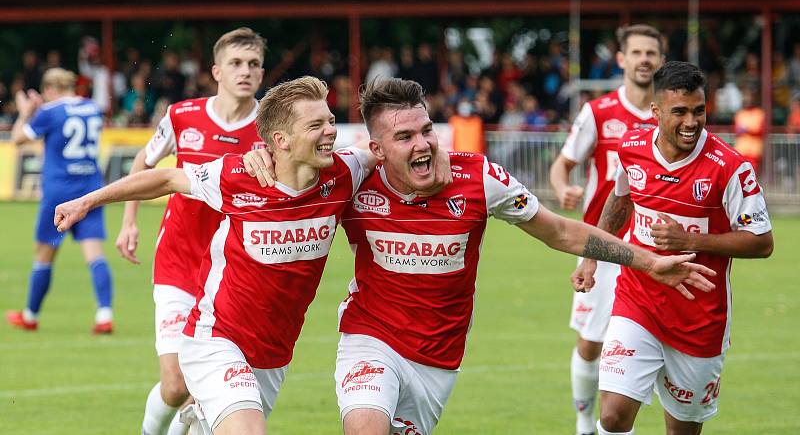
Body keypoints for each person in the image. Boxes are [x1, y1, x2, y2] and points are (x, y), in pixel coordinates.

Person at [242, 78, 716, 435]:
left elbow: (559, 231)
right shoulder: (353, 179)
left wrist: (648, 260)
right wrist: (255, 156)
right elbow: (288, 161)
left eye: (426, 130)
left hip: (438, 359)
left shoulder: (479, 178)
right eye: (404, 138)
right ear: (377, 150)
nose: (422, 144)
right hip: (371, 338)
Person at [54, 76, 381, 435]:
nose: (330, 132)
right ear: (280, 140)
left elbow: (384, 151)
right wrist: (87, 201)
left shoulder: (346, 172)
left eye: (331, 121)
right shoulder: (238, 175)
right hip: (216, 338)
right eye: (316, 125)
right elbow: (166, 179)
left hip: (273, 355)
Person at [574, 61, 774, 435]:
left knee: (681, 429)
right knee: (613, 416)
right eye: (679, 111)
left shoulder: (729, 167)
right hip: (638, 301)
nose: (691, 122)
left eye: (699, 111)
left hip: (699, 319)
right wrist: (590, 257)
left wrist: (692, 241)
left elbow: (762, 242)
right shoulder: (632, 147)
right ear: (656, 112)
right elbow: (620, 202)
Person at [113, 27, 269, 435]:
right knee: (176, 384)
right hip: (179, 264)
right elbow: (144, 165)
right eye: (236, 63)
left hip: (235, 274)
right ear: (216, 71)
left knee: (206, 390)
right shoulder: (183, 116)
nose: (245, 72)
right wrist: (129, 221)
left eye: (253, 64)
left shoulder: (271, 127)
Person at [548, 24, 664, 435]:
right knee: (591, 342)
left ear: (661, 61)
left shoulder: (670, 116)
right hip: (603, 246)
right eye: (637, 52)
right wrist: (565, 190)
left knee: (646, 344)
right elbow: (562, 165)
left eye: (651, 52)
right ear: (622, 60)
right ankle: (584, 422)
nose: (644, 59)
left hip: (654, 246)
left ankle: (613, 423)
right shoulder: (598, 112)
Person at [6, 68, 114, 334]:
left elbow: (17, 139)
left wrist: (26, 112)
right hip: (90, 189)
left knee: (44, 255)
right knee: (95, 254)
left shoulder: (49, 112)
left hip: (59, 192)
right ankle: (104, 314)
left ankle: (30, 315)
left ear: (50, 90)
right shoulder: (91, 108)